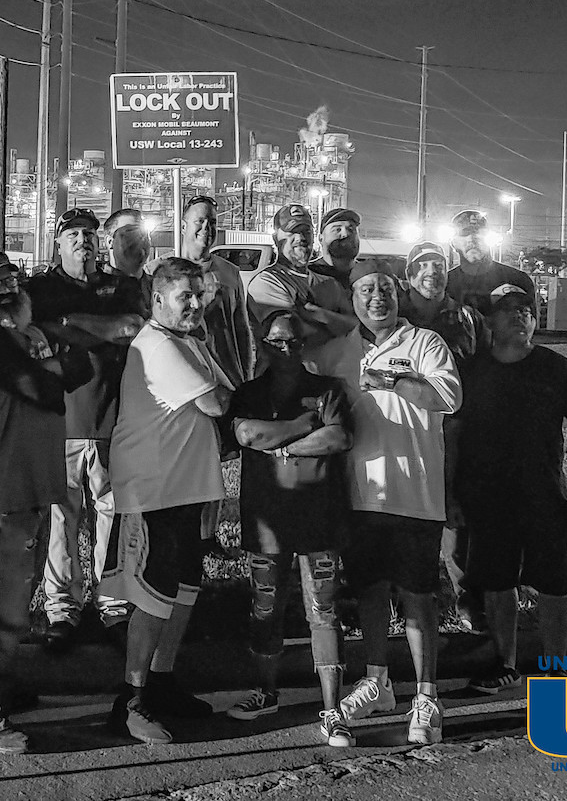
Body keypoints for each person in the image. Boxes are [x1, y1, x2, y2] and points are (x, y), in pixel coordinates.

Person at [310, 259, 461, 744]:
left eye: (385, 289)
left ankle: (426, 694)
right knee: (371, 591)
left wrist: (395, 382)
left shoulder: (425, 343)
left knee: (418, 597)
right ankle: (377, 680)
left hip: (414, 492)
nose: (377, 298)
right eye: (365, 290)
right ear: (352, 299)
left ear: (399, 294)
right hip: (359, 494)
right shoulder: (339, 351)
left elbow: (449, 399)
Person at [0, 249, 91, 754]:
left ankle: (0, 686)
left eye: (13, 277)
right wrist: (52, 358)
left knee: (15, 604)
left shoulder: (26, 338)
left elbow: (76, 373)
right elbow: (44, 385)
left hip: (33, 489)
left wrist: (51, 357)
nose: (6, 287)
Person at [99, 257, 233, 744]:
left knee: (183, 592)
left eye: (200, 294)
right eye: (185, 296)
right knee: (153, 598)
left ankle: (162, 682)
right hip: (153, 491)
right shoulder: (157, 343)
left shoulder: (190, 340)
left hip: (189, 488)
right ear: (157, 300)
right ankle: (129, 700)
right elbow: (217, 402)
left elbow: (228, 388)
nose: (196, 304)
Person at [446, 284, 567, 693]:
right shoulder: (473, 372)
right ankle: (505, 662)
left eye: (526, 310)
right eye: (508, 310)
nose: (519, 316)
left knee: (553, 584)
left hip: (545, 495)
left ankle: (555, 668)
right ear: (490, 321)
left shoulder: (557, 368)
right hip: (488, 496)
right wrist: (450, 494)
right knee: (496, 583)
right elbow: (454, 435)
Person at [223, 309, 355, 746]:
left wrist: (279, 446)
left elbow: (338, 438)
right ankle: (266, 691)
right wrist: (301, 431)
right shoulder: (248, 392)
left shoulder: (326, 388)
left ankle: (332, 709)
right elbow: (246, 435)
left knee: (324, 610)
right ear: (262, 344)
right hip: (268, 522)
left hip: (320, 518)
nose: (284, 349)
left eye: (293, 342)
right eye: (276, 342)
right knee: (266, 607)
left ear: (304, 345)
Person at [26, 208, 144, 651]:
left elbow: (131, 328)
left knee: (113, 515)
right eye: (73, 234)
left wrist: (69, 325)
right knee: (62, 518)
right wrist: (103, 330)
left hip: (114, 417)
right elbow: (31, 330)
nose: (82, 242)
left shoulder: (121, 286)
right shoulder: (39, 288)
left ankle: (111, 602)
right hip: (61, 419)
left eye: (90, 234)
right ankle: (61, 608)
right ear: (57, 242)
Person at [398, 240, 482, 632]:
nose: (432, 273)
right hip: (403, 431)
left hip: (456, 431)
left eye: (438, 266)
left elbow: (482, 368)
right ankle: (404, 600)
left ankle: (466, 601)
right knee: (404, 516)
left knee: (454, 516)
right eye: (423, 267)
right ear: (408, 276)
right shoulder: (392, 316)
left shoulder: (466, 318)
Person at [177, 194, 255, 558]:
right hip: (187, 379)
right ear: (183, 224)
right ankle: (184, 533)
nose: (205, 229)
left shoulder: (228, 272)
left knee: (217, 463)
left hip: (223, 377)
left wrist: (245, 374)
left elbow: (240, 325)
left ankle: (207, 536)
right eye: (198, 221)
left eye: (211, 222)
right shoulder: (165, 270)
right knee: (188, 461)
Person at [247, 204, 353, 347]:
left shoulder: (329, 283)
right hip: (289, 369)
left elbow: (356, 328)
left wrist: (317, 313)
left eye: (306, 231)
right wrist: (338, 325)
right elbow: (292, 334)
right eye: (292, 232)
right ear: (275, 238)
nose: (301, 238)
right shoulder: (266, 282)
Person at [445, 209, 536, 316]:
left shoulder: (517, 280)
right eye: (464, 233)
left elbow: (529, 326)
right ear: (453, 243)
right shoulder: (445, 284)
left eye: (478, 233)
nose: (472, 238)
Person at [310, 207, 362, 286]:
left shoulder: (367, 275)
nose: (345, 234)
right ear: (321, 239)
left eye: (351, 230)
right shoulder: (307, 275)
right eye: (337, 229)